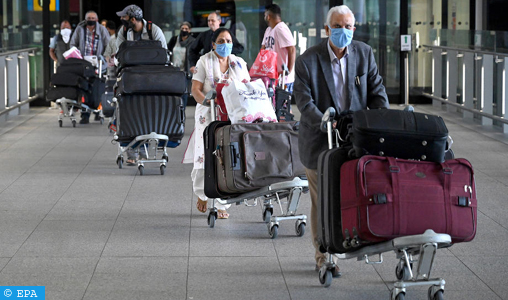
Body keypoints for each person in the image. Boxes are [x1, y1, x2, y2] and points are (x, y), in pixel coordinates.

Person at [293, 5, 389, 274]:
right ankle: (323, 255)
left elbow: (376, 90)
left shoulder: (364, 53)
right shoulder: (307, 60)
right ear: (327, 30)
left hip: (354, 139)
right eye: (338, 27)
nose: (344, 32)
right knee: (321, 200)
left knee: (351, 194)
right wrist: (326, 122)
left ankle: (348, 240)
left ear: (354, 28)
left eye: (349, 26)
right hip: (318, 140)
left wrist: (382, 119)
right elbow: (304, 102)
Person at [183, 28, 250, 219]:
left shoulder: (239, 63)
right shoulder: (204, 61)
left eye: (228, 40)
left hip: (231, 117)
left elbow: (247, 87)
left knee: (228, 158)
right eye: (221, 41)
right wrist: (207, 101)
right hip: (208, 115)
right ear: (213, 44)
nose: (225, 44)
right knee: (204, 156)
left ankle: (223, 203)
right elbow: (195, 89)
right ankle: (202, 194)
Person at [115, 4, 167, 165]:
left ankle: (147, 143)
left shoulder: (154, 31)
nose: (122, 20)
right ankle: (131, 148)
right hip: (131, 78)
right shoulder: (124, 32)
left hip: (153, 79)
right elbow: (119, 55)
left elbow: (164, 55)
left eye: (124, 17)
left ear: (133, 19)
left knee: (150, 109)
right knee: (127, 109)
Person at [70, 11, 110, 124]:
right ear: (85, 19)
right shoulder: (80, 29)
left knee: (97, 89)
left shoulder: (102, 30)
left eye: (93, 18)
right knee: (84, 89)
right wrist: (76, 55)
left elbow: (109, 45)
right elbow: (73, 44)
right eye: (89, 18)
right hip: (83, 63)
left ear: (96, 20)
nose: (91, 19)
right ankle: (85, 114)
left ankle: (97, 112)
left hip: (98, 63)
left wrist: (104, 58)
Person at [261, 4, 296, 93]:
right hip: (271, 76)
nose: (264, 17)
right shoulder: (269, 30)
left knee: (283, 105)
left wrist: (288, 70)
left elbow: (292, 49)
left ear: (268, 16)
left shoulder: (280, 28)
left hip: (283, 78)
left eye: (265, 15)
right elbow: (263, 50)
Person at [167, 21, 195, 107]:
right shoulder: (174, 40)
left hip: (185, 70)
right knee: (173, 91)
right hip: (173, 70)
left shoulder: (193, 42)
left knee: (184, 91)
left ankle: (182, 109)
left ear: (189, 30)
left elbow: (194, 54)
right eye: (182, 28)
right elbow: (168, 51)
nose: (184, 30)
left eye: (186, 29)